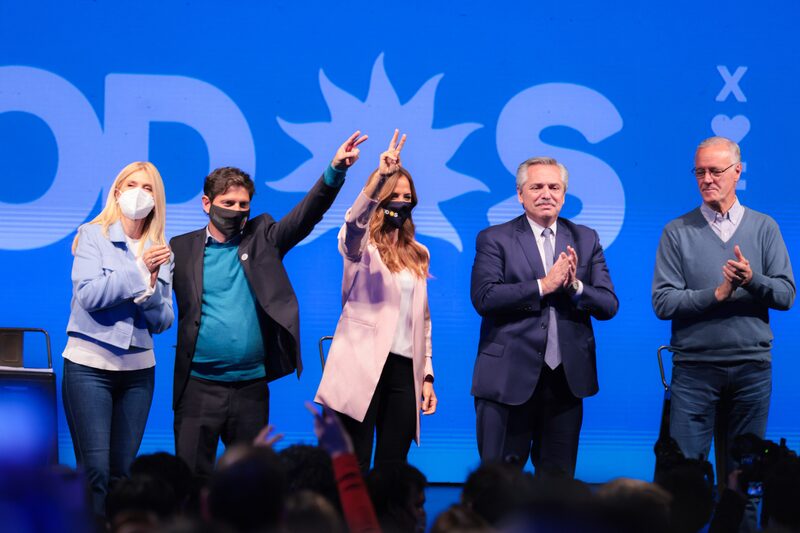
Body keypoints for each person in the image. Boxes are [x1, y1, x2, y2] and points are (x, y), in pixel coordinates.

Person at [170, 131, 367, 479]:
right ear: (206, 203)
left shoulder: (263, 238)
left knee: (249, 487)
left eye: (243, 205)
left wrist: (335, 170)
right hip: (198, 387)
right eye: (228, 203)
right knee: (190, 484)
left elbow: (307, 215)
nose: (236, 211)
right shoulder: (180, 248)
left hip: (250, 390)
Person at [652, 136, 795, 520]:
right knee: (684, 483)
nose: (707, 179)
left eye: (716, 171)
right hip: (695, 373)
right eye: (700, 172)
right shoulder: (676, 231)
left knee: (746, 481)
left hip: (751, 371)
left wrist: (752, 280)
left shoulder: (764, 228)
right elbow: (663, 302)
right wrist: (717, 293)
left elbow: (785, 294)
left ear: (737, 172)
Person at [470, 156, 618, 478]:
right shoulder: (495, 238)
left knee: (557, 489)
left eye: (554, 187)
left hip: (565, 383)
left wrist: (575, 286)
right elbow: (485, 297)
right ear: (520, 195)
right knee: (498, 487)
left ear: (564, 195)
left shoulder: (585, 238)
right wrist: (543, 286)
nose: (546, 193)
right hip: (507, 381)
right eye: (536, 186)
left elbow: (608, 304)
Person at [315, 130, 438, 472]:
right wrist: (378, 179)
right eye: (393, 195)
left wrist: (426, 375)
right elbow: (354, 223)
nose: (401, 201)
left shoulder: (419, 253)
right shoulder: (360, 246)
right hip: (360, 365)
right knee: (350, 465)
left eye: (407, 196)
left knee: (392, 467)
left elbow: (422, 322)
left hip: (403, 370)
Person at [62, 161, 174, 516]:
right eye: (131, 185)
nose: (138, 194)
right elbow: (89, 296)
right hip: (89, 366)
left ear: (157, 199)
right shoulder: (92, 235)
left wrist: (148, 293)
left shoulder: (161, 248)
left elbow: (164, 320)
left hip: (138, 370)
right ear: (116, 191)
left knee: (121, 474)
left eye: (147, 188)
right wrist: (140, 272)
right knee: (94, 471)